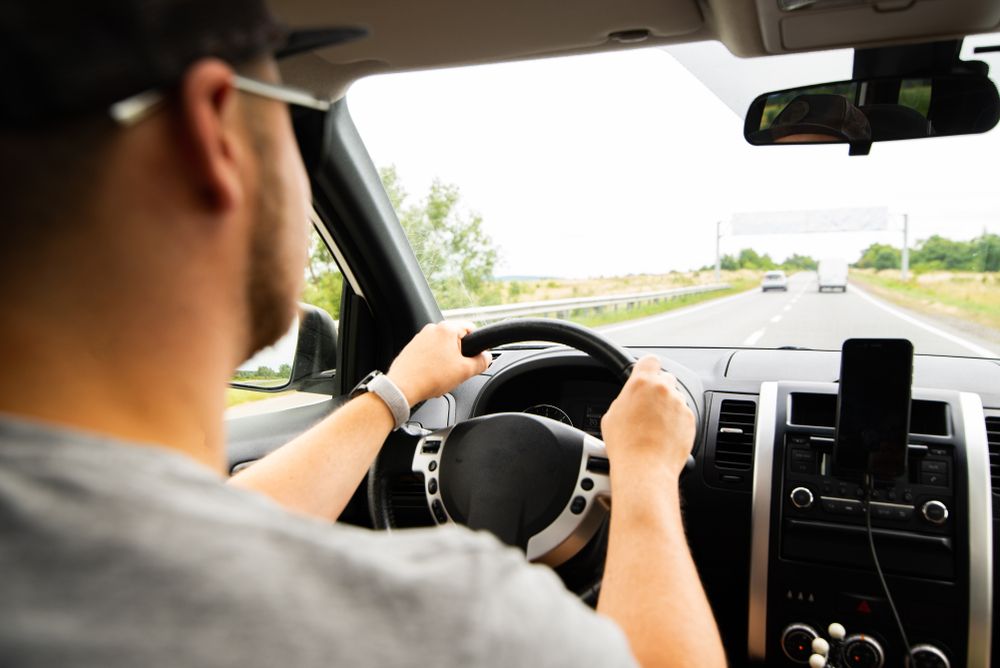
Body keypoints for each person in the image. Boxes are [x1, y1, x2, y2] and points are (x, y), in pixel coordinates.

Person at [0, 1, 726, 666]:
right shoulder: (459, 625)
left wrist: (394, 393)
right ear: (213, 137)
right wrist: (644, 475)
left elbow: (224, 525)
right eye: (301, 126)